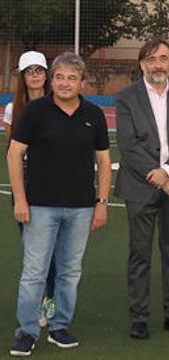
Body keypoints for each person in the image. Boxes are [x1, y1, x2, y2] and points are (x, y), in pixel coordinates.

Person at [8, 52, 111, 356]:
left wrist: (102, 202)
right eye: (60, 77)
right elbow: (14, 155)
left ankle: (59, 326)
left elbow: (104, 161)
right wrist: (21, 200)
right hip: (40, 207)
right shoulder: (35, 112)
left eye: (72, 78)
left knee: (69, 271)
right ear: (52, 80)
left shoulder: (94, 114)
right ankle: (26, 331)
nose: (65, 83)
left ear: (82, 82)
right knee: (34, 272)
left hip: (80, 209)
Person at [115, 40, 169, 340]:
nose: (158, 65)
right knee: (140, 253)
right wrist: (160, 176)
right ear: (141, 64)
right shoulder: (126, 97)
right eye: (151, 59)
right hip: (140, 186)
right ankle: (139, 317)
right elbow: (127, 144)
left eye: (163, 58)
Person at [4, 51, 57, 329]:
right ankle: (35, 302)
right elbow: (12, 151)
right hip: (26, 180)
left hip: (55, 180)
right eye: (29, 71)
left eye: (39, 69)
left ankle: (51, 299)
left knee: (56, 249)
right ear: (22, 77)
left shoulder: (58, 103)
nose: (35, 75)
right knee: (32, 247)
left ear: (46, 74)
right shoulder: (14, 110)